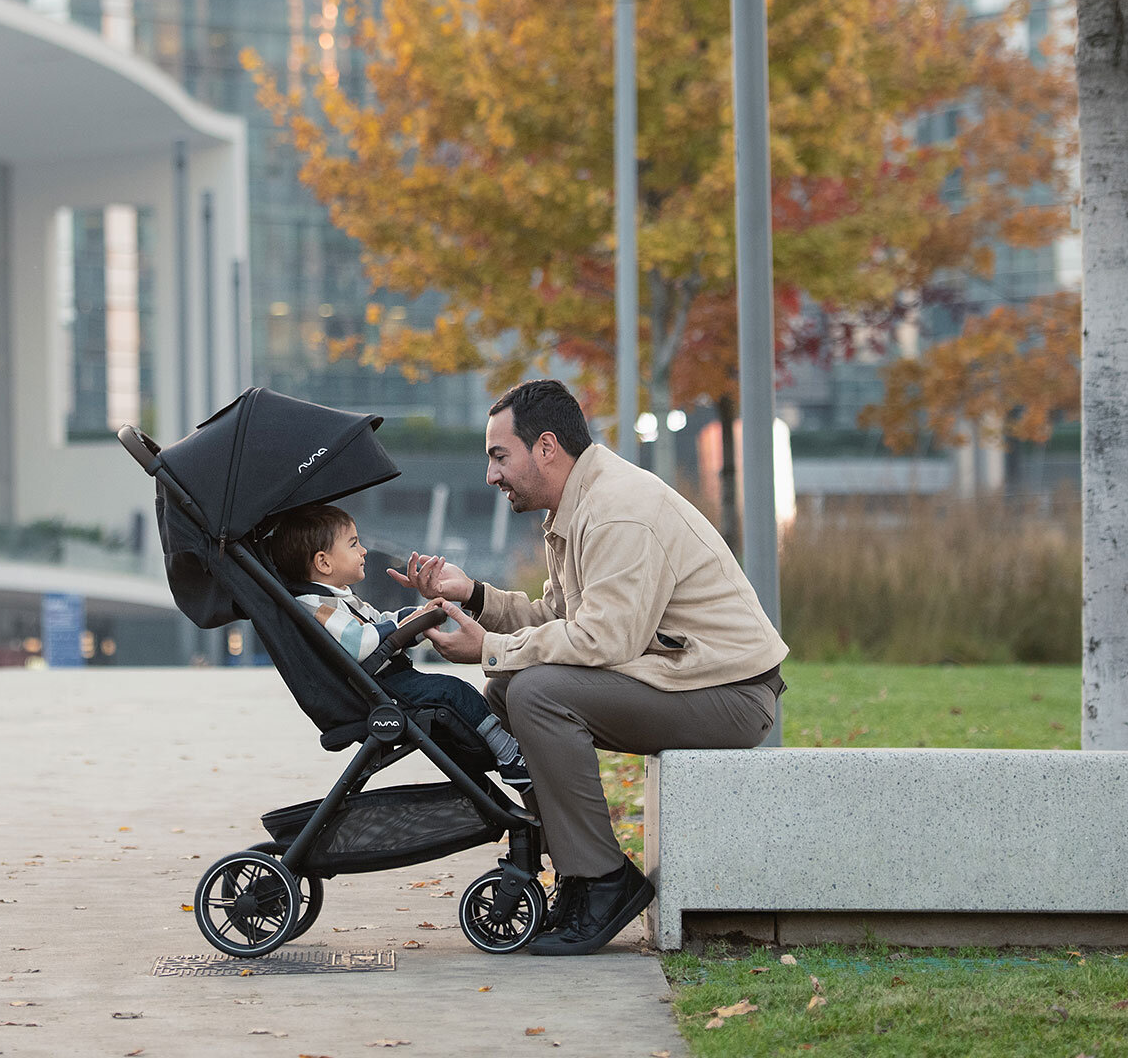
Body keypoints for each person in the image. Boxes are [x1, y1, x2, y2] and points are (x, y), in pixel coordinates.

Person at [390, 378, 786, 957]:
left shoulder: (617, 511)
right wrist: (474, 596)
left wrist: (490, 648)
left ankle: (604, 880)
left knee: (535, 693)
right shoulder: (578, 505)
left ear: (546, 447)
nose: (491, 475)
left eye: (499, 456)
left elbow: (605, 639)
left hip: (728, 693)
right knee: (507, 691)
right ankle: (576, 873)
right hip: (682, 679)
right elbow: (559, 619)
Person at [267, 502, 531, 790]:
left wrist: (419, 617)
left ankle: (495, 758)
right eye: (353, 544)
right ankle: (509, 757)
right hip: (377, 691)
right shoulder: (318, 606)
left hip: (384, 683)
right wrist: (407, 625)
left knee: (457, 691)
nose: (364, 551)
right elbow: (360, 643)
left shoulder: (339, 598)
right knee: (452, 691)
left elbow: (381, 621)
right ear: (324, 563)